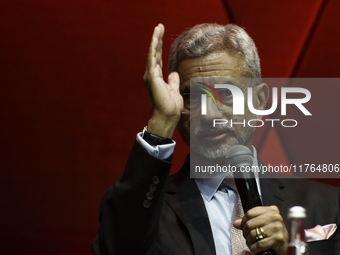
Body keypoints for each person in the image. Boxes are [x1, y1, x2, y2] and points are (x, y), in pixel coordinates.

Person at [92, 23, 340, 255]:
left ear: (260, 101)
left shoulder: (328, 205)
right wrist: (160, 124)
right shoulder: (142, 210)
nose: (210, 114)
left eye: (225, 93)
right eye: (193, 97)